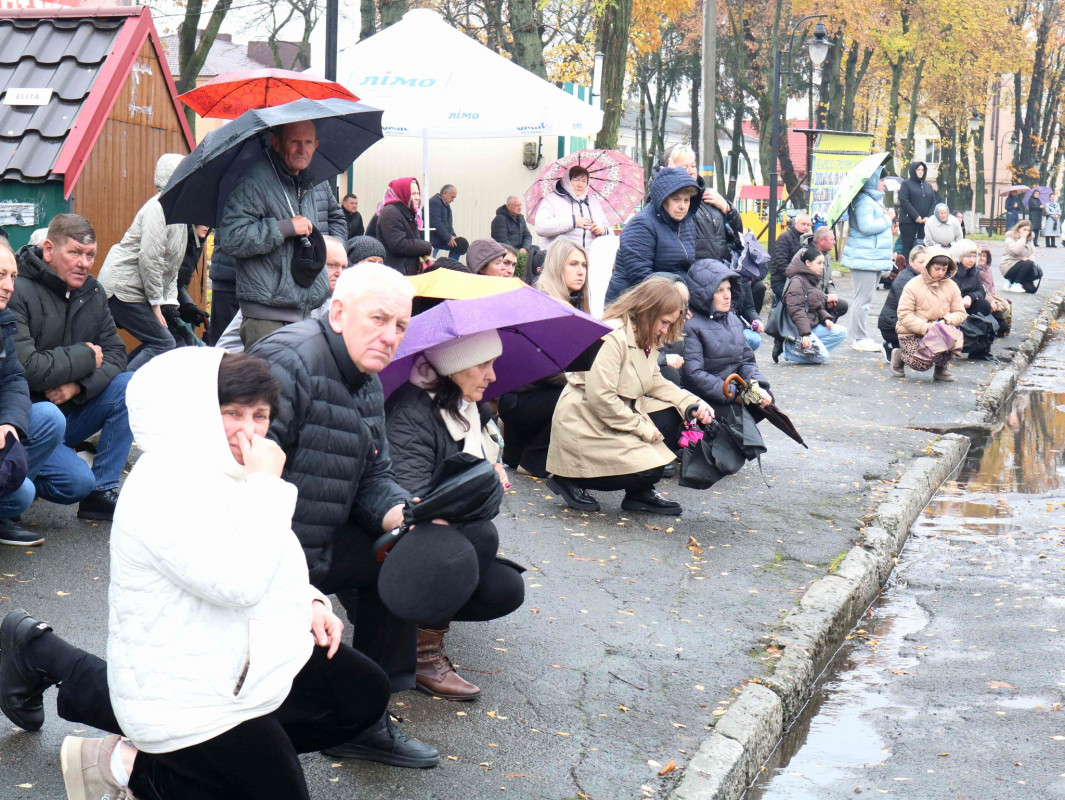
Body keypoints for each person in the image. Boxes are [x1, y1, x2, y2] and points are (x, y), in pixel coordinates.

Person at [0, 348, 391, 800]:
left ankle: (203, 768)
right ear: (197, 410)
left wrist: (309, 599)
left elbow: (274, 553)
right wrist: (268, 487)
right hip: (186, 693)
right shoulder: (165, 486)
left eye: (260, 415)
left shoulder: (230, 469)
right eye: (232, 413)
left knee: (361, 693)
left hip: (235, 657)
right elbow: (239, 582)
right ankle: (140, 767)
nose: (249, 430)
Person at [249, 264, 441, 769]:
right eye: (378, 319)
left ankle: (366, 723)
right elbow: (243, 481)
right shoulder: (286, 362)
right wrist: (296, 587)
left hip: (318, 542)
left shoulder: (366, 378)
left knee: (406, 553)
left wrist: (407, 515)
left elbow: (375, 476)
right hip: (262, 555)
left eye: (400, 326)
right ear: (337, 313)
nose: (390, 336)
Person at [384, 331, 525, 700]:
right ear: (453, 367)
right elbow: (413, 501)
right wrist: (480, 484)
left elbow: (471, 496)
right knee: (483, 536)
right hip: (396, 542)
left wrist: (487, 478)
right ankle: (419, 654)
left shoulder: (468, 409)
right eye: (483, 364)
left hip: (443, 533)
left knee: (505, 589)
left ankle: (415, 631)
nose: (492, 375)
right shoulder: (412, 412)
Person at [546, 277, 714, 517]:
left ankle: (639, 494)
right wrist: (642, 428)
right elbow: (601, 398)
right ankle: (568, 477)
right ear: (648, 310)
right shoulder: (612, 335)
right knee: (650, 469)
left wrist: (690, 403)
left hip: (611, 414)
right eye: (664, 322)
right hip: (584, 421)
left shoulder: (642, 333)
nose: (665, 331)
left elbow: (654, 380)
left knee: (673, 416)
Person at [11, 214, 133, 521]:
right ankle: (12, 489)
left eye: (90, 255)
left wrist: (78, 385)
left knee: (129, 385)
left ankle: (101, 492)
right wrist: (86, 357)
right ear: (49, 250)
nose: (84, 263)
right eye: (75, 252)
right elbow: (27, 368)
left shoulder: (92, 292)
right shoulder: (17, 289)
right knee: (72, 479)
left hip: (69, 409)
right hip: (28, 419)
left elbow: (117, 354)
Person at [219, 120, 347, 350]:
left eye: (308, 142)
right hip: (267, 316)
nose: (302, 149)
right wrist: (285, 228)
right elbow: (232, 236)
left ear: (316, 145)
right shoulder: (256, 180)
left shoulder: (306, 182)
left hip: (301, 313)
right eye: (295, 142)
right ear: (276, 143)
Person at [498, 239, 592, 478]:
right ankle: (534, 461)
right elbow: (544, 370)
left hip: (536, 396)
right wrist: (584, 376)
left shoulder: (573, 303)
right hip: (520, 398)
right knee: (580, 394)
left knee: (584, 387)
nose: (580, 271)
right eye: (573, 264)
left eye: (584, 265)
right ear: (557, 266)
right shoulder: (543, 304)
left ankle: (519, 450)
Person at [98, 154, 188, 371]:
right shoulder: (158, 208)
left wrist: (170, 302)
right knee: (163, 343)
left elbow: (171, 264)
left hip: (137, 289)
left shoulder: (178, 213)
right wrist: (156, 303)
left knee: (171, 338)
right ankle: (123, 384)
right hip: (122, 287)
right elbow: (151, 259)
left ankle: (121, 376)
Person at [0, 243, 64, 546]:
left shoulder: (2, 321)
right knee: (23, 493)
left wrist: (9, 422)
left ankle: (4, 514)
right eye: (1, 275)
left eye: (13, 277)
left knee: (50, 417)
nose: (9, 286)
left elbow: (14, 377)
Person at [215, 236, 351, 355]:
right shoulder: (275, 297)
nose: (339, 273)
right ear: (312, 263)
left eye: (343, 267)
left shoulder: (338, 301)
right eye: (332, 265)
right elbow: (226, 347)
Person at [682, 259, 772, 413]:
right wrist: (735, 393)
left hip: (730, 389)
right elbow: (694, 375)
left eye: (729, 289)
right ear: (704, 294)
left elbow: (746, 360)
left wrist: (756, 385)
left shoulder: (733, 320)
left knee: (766, 399)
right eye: (719, 291)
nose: (727, 296)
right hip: (706, 398)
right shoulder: (690, 325)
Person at [604, 167, 700, 304]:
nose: (682, 206)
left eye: (686, 200)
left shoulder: (686, 223)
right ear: (663, 199)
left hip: (673, 298)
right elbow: (641, 277)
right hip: (633, 303)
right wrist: (675, 304)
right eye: (676, 199)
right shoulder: (641, 225)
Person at [771, 226, 848, 362]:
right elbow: (797, 309)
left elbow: (828, 283)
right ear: (807, 263)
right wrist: (805, 334)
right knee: (823, 357)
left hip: (814, 306)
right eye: (832, 239)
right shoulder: (801, 268)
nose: (822, 266)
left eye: (822, 263)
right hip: (801, 316)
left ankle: (811, 348)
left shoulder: (818, 269)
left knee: (841, 317)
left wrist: (826, 316)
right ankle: (789, 347)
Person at [840, 168, 895, 353]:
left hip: (871, 257)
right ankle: (859, 338)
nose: (884, 184)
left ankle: (861, 336)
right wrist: (887, 219)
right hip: (864, 258)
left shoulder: (873, 200)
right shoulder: (864, 201)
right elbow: (866, 227)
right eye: (882, 180)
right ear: (872, 181)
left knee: (866, 298)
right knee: (862, 300)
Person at [661, 145, 744, 264]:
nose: (691, 171)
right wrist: (668, 181)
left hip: (721, 270)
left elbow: (737, 235)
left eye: (693, 166)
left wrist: (727, 208)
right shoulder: (663, 199)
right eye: (684, 167)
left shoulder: (709, 198)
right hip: (691, 271)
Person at [892, 251, 967, 381]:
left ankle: (941, 367)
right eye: (936, 269)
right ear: (928, 266)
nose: (940, 273)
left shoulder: (952, 286)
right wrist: (926, 327)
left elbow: (960, 313)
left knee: (953, 337)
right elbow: (904, 314)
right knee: (921, 364)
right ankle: (899, 355)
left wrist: (946, 321)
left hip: (940, 330)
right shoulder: (913, 285)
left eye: (944, 269)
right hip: (912, 333)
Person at [534, 165, 611, 250]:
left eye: (584, 181)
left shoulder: (594, 203)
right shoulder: (551, 199)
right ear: (567, 181)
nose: (580, 185)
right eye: (576, 180)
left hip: (588, 256)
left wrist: (604, 230)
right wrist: (573, 221)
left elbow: (610, 231)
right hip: (560, 256)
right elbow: (541, 227)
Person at [949, 239, 997, 361]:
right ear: (959, 256)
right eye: (968, 256)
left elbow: (981, 290)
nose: (972, 260)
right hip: (952, 306)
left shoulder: (974, 270)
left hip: (969, 303)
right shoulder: (950, 271)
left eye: (974, 256)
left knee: (987, 311)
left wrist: (970, 297)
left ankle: (980, 350)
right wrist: (961, 300)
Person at [878, 245, 928, 358]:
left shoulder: (923, 277)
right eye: (921, 262)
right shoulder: (905, 280)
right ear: (911, 262)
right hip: (892, 325)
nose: (925, 265)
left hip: (901, 321)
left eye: (927, 262)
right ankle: (892, 346)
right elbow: (911, 309)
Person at [377, 177, 433, 277]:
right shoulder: (391, 213)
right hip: (396, 274)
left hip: (405, 272)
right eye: (413, 194)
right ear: (402, 193)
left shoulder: (407, 212)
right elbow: (399, 244)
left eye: (418, 193)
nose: (418, 197)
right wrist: (426, 247)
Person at [897, 160, 939, 252]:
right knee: (908, 248)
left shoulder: (927, 185)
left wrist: (928, 216)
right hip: (908, 222)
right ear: (913, 170)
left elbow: (933, 202)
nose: (920, 172)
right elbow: (904, 201)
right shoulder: (906, 184)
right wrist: (915, 216)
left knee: (922, 248)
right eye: (918, 169)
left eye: (922, 170)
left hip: (924, 223)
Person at [769, 213, 811, 304]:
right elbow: (781, 264)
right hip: (782, 281)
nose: (806, 227)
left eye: (808, 225)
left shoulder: (810, 241)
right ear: (795, 224)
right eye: (803, 224)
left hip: (803, 281)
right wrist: (798, 280)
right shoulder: (785, 238)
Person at [1000, 220, 1042, 293]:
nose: (1026, 232)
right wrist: (1022, 238)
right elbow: (1015, 251)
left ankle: (1013, 281)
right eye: (1024, 229)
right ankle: (1015, 283)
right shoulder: (1010, 238)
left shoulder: (1029, 239)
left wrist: (1030, 259)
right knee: (1028, 264)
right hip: (1009, 265)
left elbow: (1033, 252)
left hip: (1024, 265)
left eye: (1028, 230)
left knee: (1031, 290)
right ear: (1019, 229)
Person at [977, 246, 1011, 336]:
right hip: (982, 301)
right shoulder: (975, 271)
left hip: (991, 299)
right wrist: (991, 300)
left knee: (1004, 326)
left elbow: (992, 286)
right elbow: (980, 290)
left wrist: (995, 294)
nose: (981, 258)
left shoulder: (988, 270)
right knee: (1001, 327)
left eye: (984, 256)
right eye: (979, 255)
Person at [429, 185, 465, 257]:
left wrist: (454, 237)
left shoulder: (445, 205)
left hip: (441, 238)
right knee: (430, 262)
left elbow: (449, 225)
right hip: (433, 240)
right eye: (452, 197)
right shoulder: (434, 203)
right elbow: (436, 223)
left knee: (459, 246)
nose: (453, 200)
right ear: (445, 193)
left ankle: (451, 264)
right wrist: (448, 238)